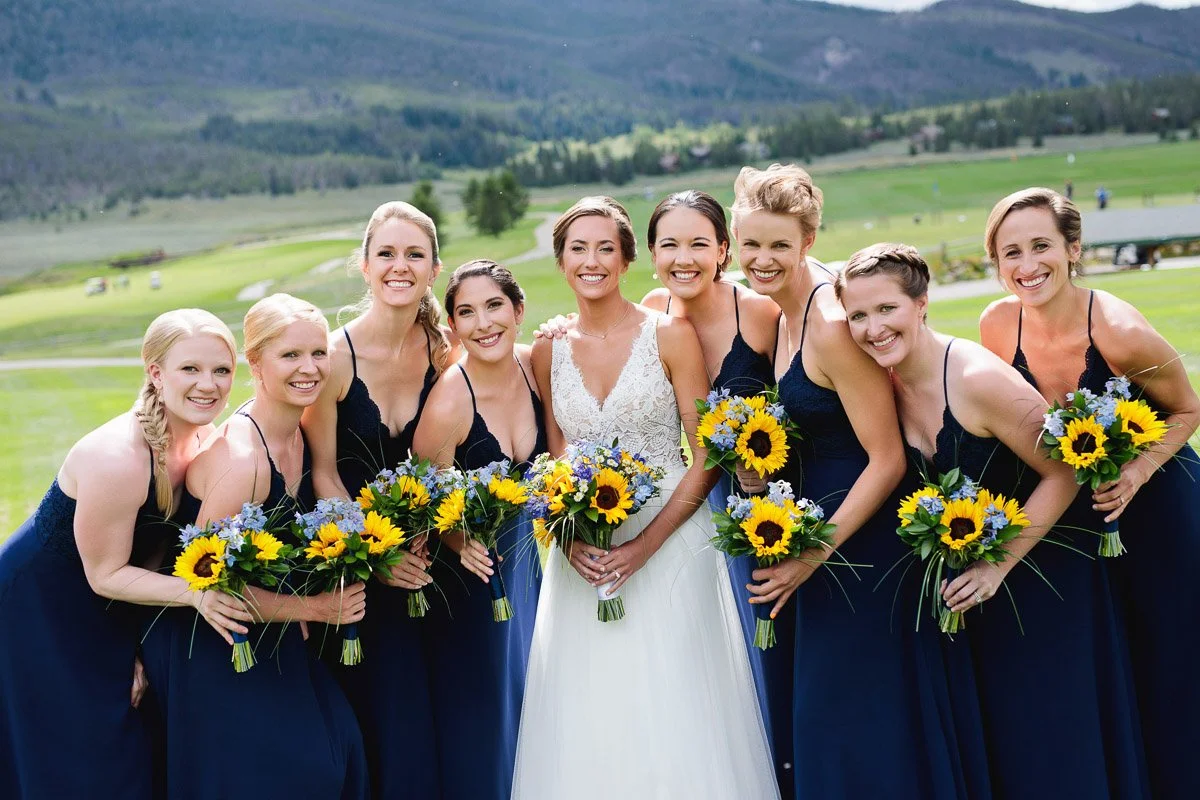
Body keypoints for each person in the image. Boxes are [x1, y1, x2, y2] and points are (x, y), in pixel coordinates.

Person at [838, 242, 1151, 798]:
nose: (872, 328)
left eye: (886, 309)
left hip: (1044, 579)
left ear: (922, 303)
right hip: (979, 597)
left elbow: (1064, 474)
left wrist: (996, 566)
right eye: (858, 315)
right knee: (1001, 749)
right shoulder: (886, 381)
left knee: (1051, 746)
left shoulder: (977, 378)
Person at [511, 196, 778, 799]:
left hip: (673, 547)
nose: (592, 260)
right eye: (578, 248)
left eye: (606, 247)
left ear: (630, 258)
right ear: (560, 261)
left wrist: (643, 548)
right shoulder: (549, 350)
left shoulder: (670, 335)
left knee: (677, 699)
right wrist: (571, 537)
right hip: (582, 560)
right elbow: (553, 461)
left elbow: (706, 453)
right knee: (592, 704)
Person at [732, 164, 985, 799]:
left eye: (779, 246)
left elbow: (887, 459)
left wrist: (811, 557)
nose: (763, 259)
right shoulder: (779, 313)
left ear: (808, 244)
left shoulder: (828, 323)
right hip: (815, 531)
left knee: (855, 709)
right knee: (826, 706)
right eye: (751, 244)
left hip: (861, 547)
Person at [982, 187, 1200, 799]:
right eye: (1011, 252)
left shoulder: (1121, 331)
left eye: (1042, 246)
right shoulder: (997, 326)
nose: (1027, 266)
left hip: (1158, 508)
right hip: (1080, 521)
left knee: (1171, 652)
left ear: (1073, 249)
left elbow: (1186, 410)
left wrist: (1135, 472)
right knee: (1112, 655)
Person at [0, 309, 248, 798]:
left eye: (221, 370)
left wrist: (137, 645)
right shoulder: (117, 457)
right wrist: (198, 596)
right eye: (190, 369)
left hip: (112, 601)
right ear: (155, 373)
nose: (209, 385)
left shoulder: (201, 441)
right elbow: (105, 572)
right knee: (75, 753)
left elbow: (149, 553)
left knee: (129, 740)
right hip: (37, 610)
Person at [143, 294, 369, 800]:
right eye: (290, 356)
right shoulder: (243, 461)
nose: (308, 369)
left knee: (342, 748)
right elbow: (202, 583)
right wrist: (313, 607)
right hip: (209, 642)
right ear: (256, 362)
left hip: (273, 629)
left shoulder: (300, 431)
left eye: (317, 354)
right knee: (302, 770)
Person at [302, 200, 457, 799]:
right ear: (364, 267)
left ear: (434, 269)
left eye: (414, 254)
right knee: (384, 721)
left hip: (434, 563)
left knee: (439, 711)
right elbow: (322, 474)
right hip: (359, 572)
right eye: (386, 254)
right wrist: (377, 554)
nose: (400, 266)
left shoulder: (445, 352)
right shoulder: (333, 359)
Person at [412, 259, 546, 800]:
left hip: (536, 566)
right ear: (452, 327)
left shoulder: (535, 365)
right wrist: (459, 541)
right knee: (489, 711)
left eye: (494, 306)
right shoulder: (449, 399)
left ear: (518, 310)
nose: (483, 323)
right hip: (475, 581)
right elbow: (422, 496)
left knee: (535, 698)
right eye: (466, 312)